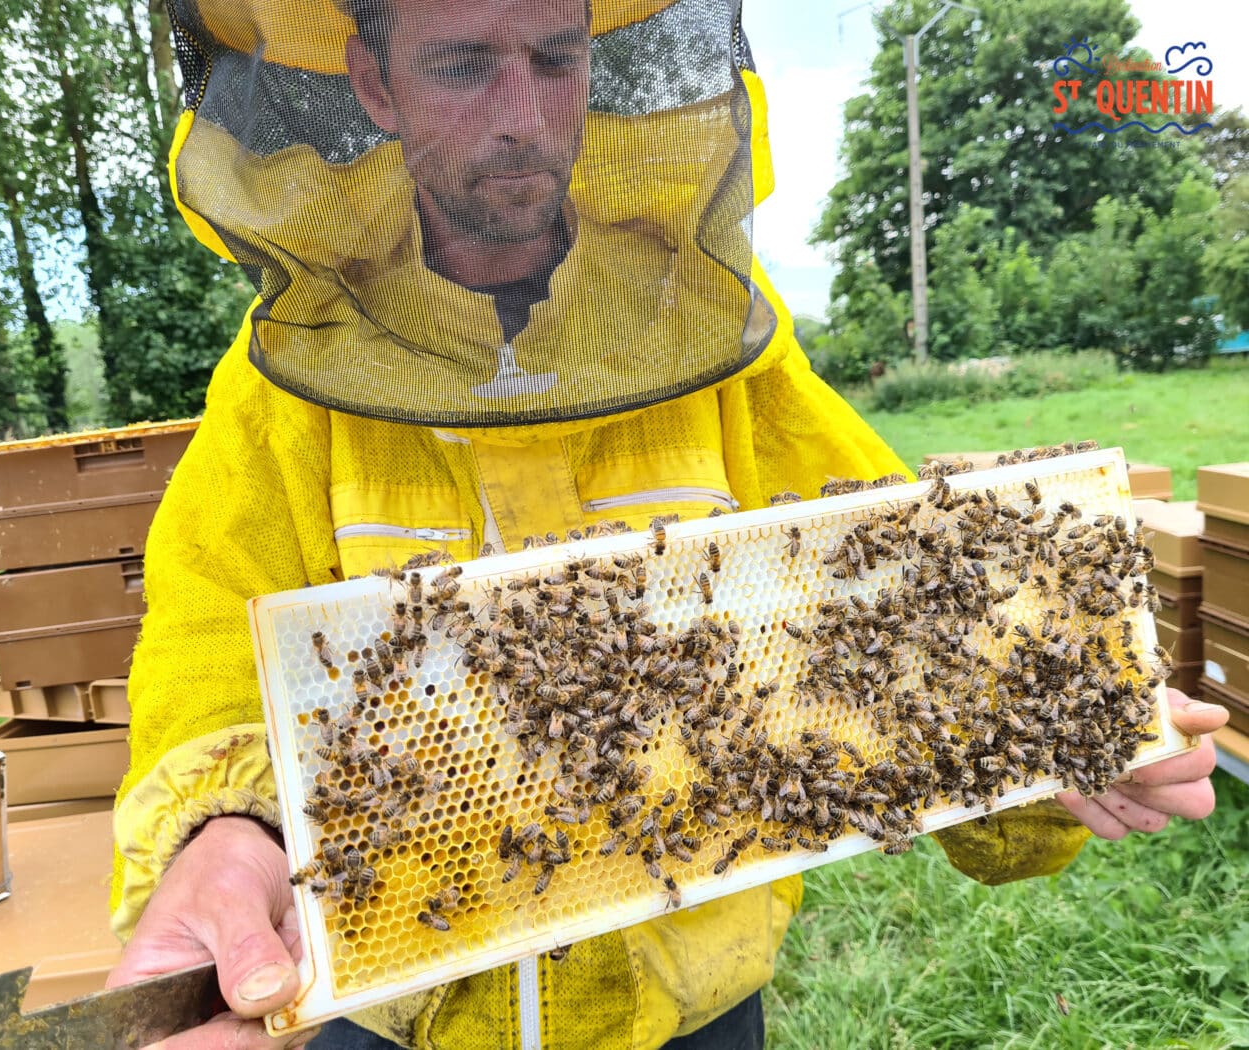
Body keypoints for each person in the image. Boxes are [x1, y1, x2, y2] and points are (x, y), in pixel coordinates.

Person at [105, 2, 1228, 1048]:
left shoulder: (713, 343)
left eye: (554, 57)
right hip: (397, 1010)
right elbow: (203, 648)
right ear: (373, 81)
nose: (521, 117)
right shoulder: (284, 397)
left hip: (693, 1009)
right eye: (459, 64)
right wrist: (225, 830)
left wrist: (1053, 730)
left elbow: (917, 599)